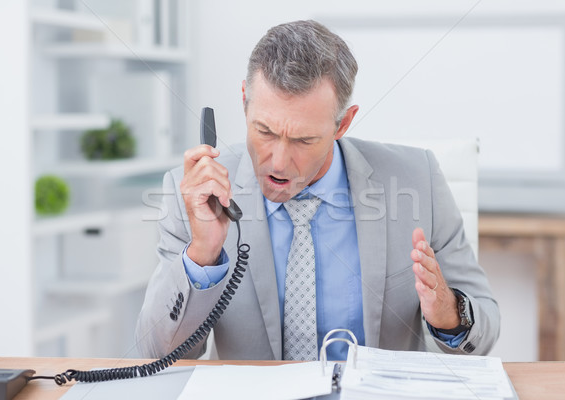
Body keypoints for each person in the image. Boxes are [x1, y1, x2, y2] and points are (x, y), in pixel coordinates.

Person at [135, 20, 499, 361]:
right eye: (264, 131)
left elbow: (484, 328)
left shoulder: (417, 179)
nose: (278, 162)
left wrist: (448, 312)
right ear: (244, 99)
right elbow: (158, 355)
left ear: (343, 123)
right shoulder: (196, 192)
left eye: (303, 139)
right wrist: (202, 253)